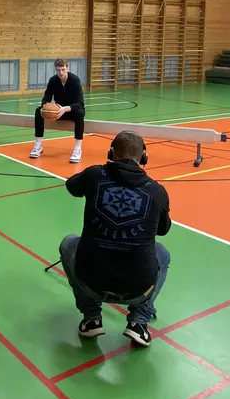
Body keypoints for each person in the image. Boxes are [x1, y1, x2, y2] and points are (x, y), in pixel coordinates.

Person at [59, 130, 171, 347]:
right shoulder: (158, 191)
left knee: (69, 243)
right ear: (144, 157)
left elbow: (72, 186)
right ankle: (139, 322)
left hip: (91, 282)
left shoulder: (94, 175)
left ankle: (91, 318)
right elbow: (163, 230)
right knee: (162, 253)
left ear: (111, 154)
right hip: (137, 289)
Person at [30, 58, 85, 163]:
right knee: (39, 111)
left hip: (70, 111)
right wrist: (45, 105)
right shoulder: (53, 80)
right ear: (55, 70)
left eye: (63, 69)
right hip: (58, 112)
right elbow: (47, 97)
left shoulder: (75, 80)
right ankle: (38, 145)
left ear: (67, 68)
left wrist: (65, 108)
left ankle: (78, 148)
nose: (61, 73)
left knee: (80, 113)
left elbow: (80, 104)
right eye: (58, 70)